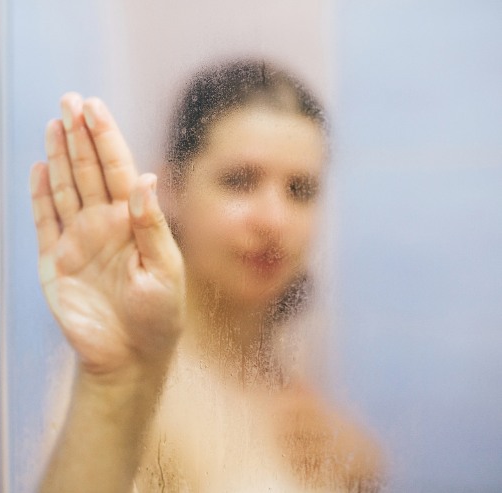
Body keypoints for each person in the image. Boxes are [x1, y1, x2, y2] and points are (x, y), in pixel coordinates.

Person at [30, 59, 383, 492]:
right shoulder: (128, 373)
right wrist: (111, 390)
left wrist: (362, 471)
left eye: (300, 190)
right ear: (172, 189)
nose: (275, 220)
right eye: (239, 181)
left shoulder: (286, 372)